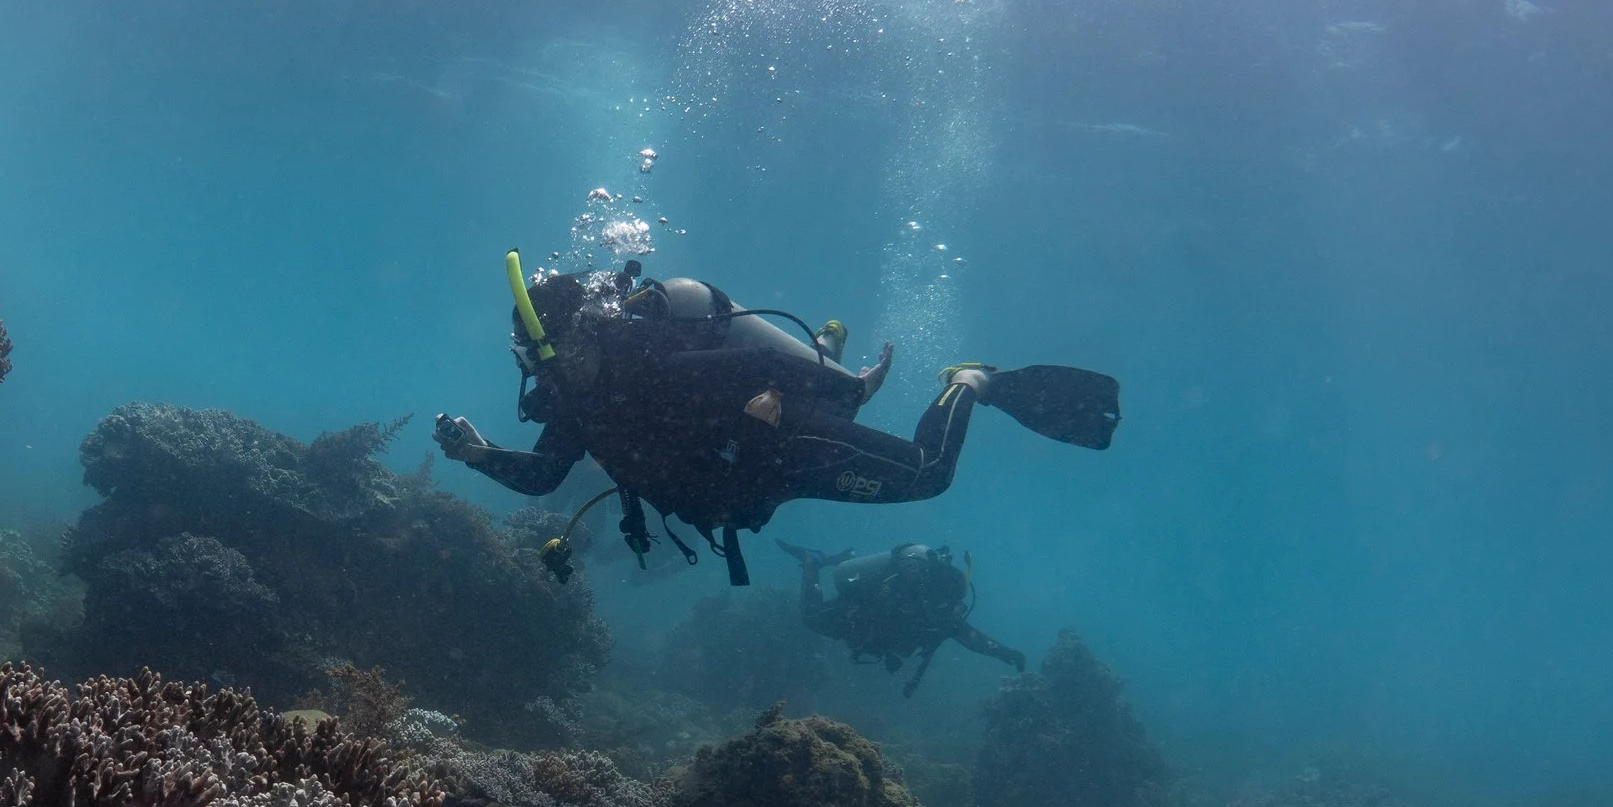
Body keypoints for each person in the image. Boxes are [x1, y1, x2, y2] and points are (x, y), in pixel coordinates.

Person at [433, 256, 1119, 584]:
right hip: (745, 492)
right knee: (829, 376)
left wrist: (841, 390)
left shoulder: (656, 363)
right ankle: (832, 341)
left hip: (788, 448)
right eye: (535, 366)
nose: (545, 380)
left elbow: (770, 375)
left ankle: (972, 383)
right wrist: (476, 453)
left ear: (579, 335)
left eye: (549, 361)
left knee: (930, 474)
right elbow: (544, 475)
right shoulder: (580, 401)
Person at [784, 541, 1025, 696]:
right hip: (857, 613)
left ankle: (823, 560)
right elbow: (877, 606)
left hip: (865, 625)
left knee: (814, 619)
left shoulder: (941, 613)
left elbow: (972, 639)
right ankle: (812, 562)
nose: (956, 613)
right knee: (811, 618)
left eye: (958, 608)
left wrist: (1005, 653)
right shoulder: (919, 598)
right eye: (954, 607)